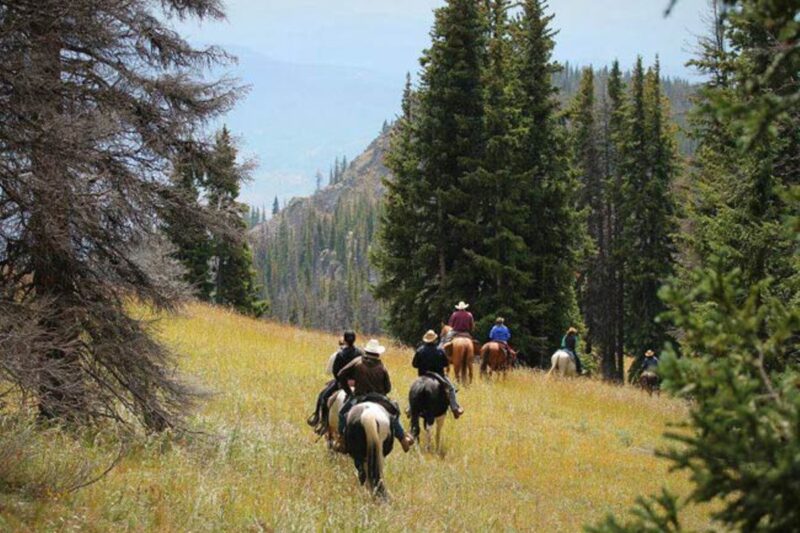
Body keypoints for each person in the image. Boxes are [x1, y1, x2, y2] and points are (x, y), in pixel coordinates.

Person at [335, 339, 414, 453]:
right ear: (378, 353)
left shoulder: (357, 362)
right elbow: (388, 388)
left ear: (366, 351)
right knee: (394, 412)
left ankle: (342, 439)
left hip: (359, 398)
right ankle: (402, 438)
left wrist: (348, 391)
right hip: (379, 399)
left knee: (342, 413)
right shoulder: (381, 366)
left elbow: (341, 374)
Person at [306, 331, 363, 433]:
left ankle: (323, 422)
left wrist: (340, 381)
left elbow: (336, 372)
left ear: (345, 340)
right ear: (354, 340)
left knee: (324, 397)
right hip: (357, 383)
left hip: (342, 383)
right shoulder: (360, 353)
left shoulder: (340, 354)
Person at [412, 330, 464, 418]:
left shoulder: (419, 350)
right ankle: (455, 408)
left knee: (414, 390)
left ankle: (411, 409)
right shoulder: (440, 350)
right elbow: (445, 363)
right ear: (435, 339)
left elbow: (414, 364)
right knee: (451, 389)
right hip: (439, 375)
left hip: (423, 375)